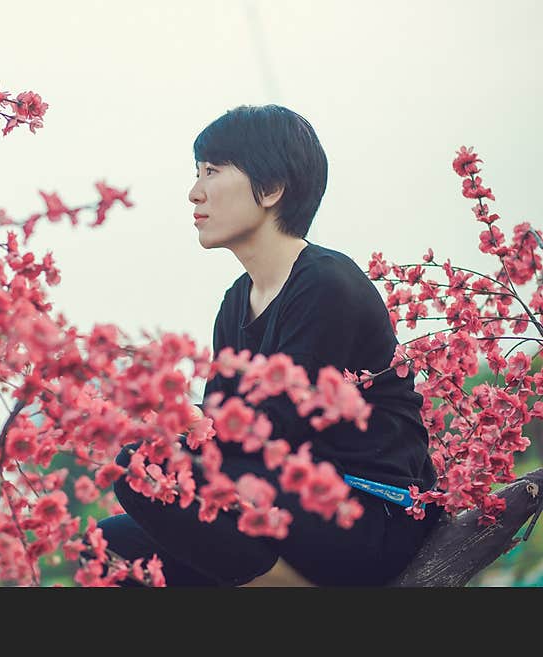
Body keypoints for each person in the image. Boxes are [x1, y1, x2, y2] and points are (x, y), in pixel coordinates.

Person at [87, 104, 441, 587]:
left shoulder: (324, 283)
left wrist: (175, 419)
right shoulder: (238, 301)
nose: (195, 193)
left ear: (271, 189)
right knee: (108, 545)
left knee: (145, 468)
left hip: (372, 512)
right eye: (196, 173)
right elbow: (217, 426)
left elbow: (272, 430)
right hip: (286, 504)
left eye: (212, 172)